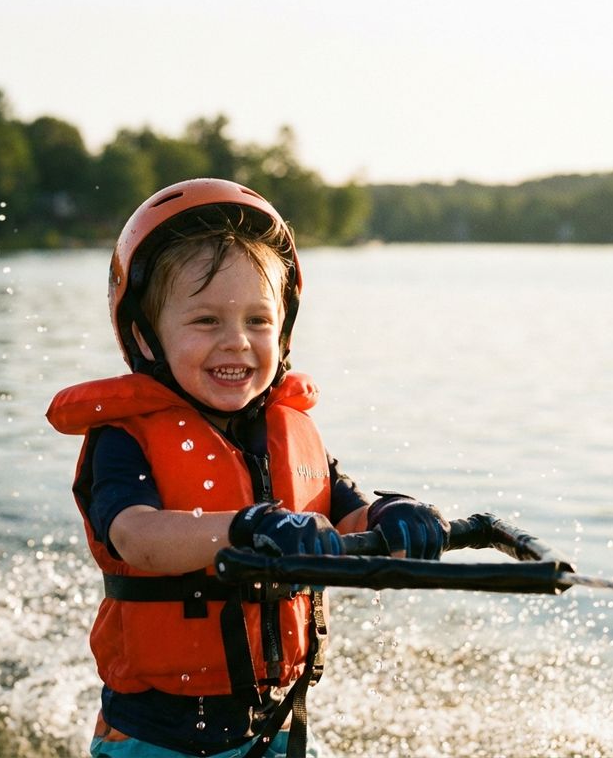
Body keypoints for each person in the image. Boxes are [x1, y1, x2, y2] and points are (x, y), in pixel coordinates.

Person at [46, 178, 449, 758]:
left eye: (258, 321)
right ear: (145, 335)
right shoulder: (125, 439)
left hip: (276, 723)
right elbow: (136, 536)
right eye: (206, 321)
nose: (236, 342)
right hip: (155, 737)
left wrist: (397, 517)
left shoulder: (290, 434)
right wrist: (244, 526)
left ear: (282, 330)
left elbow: (348, 515)